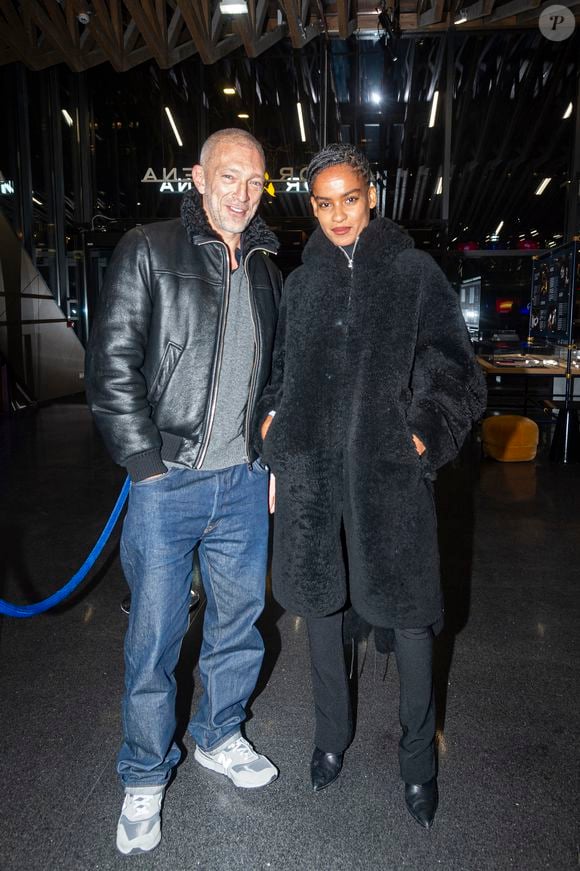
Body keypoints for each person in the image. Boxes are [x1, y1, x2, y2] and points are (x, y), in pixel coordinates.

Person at [255, 144, 486, 829]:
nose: (337, 214)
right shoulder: (301, 284)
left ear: (373, 194)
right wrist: (273, 431)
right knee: (321, 611)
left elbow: (457, 373)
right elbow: (279, 373)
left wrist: (421, 433)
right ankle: (331, 739)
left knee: (411, 618)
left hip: (389, 478)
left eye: (348, 197)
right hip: (314, 480)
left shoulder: (413, 274)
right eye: (322, 203)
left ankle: (419, 763)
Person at [85, 128, 282, 855]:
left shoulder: (265, 263)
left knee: (239, 621)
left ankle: (219, 734)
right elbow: (110, 365)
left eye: (255, 182)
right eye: (228, 177)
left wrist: (267, 455)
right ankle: (143, 774)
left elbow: (277, 374)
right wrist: (144, 464)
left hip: (242, 481)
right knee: (155, 637)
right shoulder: (148, 246)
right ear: (198, 177)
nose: (241, 194)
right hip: (169, 482)